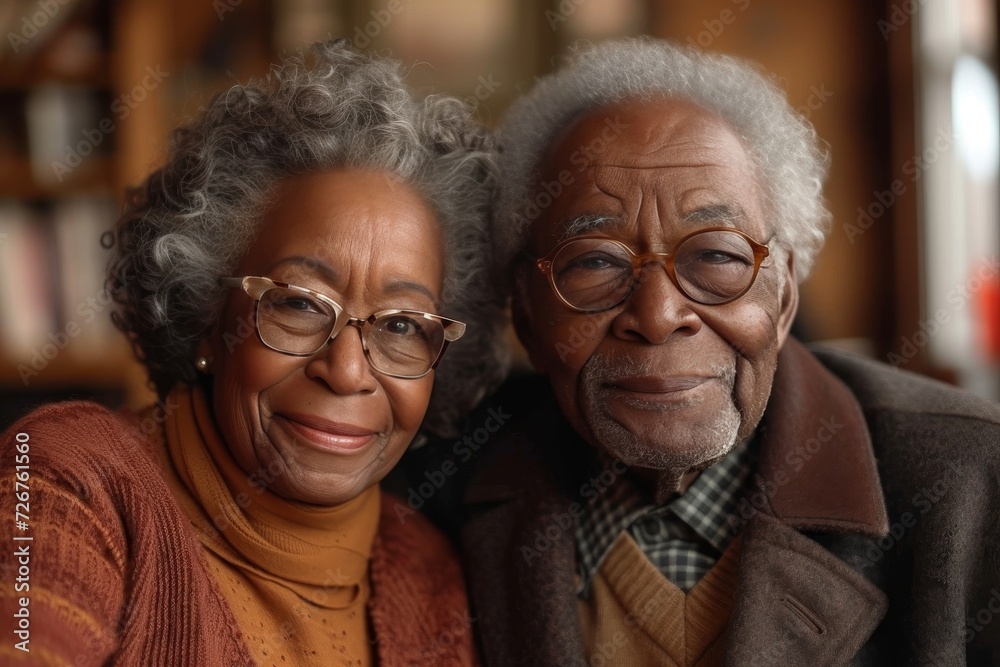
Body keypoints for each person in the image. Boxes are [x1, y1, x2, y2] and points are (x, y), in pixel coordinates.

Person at [456, 38, 1000, 665]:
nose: (658, 317)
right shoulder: (445, 481)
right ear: (526, 310)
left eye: (716, 256)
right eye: (597, 262)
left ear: (785, 294)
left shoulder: (971, 485)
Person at [0, 40, 504, 666]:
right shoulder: (67, 480)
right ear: (209, 319)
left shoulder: (437, 581)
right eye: (298, 303)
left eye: (402, 325)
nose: (347, 371)